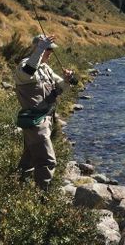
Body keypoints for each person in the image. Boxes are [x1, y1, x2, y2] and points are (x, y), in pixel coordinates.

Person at [14, 34, 74, 191]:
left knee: (28, 160)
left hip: (47, 120)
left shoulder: (46, 69)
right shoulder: (24, 66)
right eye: (48, 49)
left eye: (51, 50)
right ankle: (42, 199)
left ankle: (17, 189)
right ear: (37, 48)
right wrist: (40, 49)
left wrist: (67, 80)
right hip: (35, 122)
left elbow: (60, 87)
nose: (50, 53)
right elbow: (28, 72)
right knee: (47, 161)